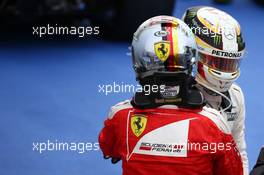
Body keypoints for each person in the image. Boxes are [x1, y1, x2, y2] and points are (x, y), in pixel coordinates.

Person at [99, 16, 243, 175]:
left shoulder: (119, 116)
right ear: (191, 61)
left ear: (138, 61)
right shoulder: (215, 124)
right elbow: (233, 170)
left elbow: (108, 148)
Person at [182, 6, 248, 174]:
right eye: (216, 62)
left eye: (229, 63)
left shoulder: (236, 95)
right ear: (191, 54)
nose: (225, 71)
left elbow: (239, 150)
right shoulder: (170, 96)